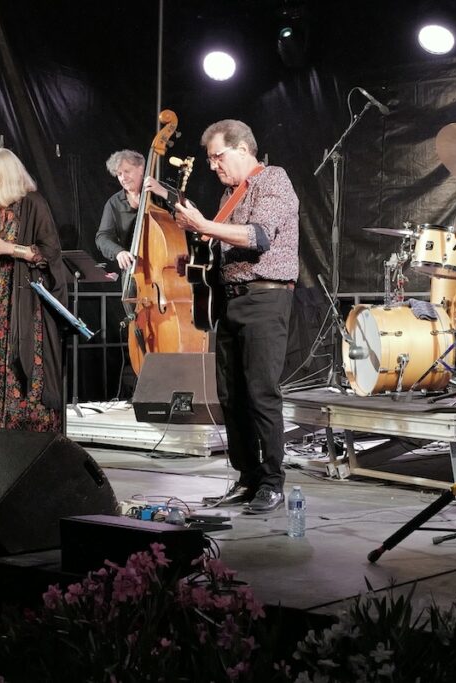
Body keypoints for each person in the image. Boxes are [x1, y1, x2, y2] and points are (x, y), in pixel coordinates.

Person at [173, 120, 299, 514]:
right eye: (210, 159)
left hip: (265, 297)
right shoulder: (230, 194)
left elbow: (258, 236)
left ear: (243, 149)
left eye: (218, 156)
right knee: (230, 395)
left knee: (261, 392)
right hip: (229, 300)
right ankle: (247, 477)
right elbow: (222, 246)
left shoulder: (273, 180)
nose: (213, 166)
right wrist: (197, 249)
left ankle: (272, 482)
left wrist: (204, 225)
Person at [0, 147, 67, 432]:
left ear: (6, 175)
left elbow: (49, 254)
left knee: (23, 358)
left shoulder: (32, 204)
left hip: (23, 300)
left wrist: (7, 248)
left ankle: (29, 430)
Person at [95, 149, 170, 271]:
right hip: (132, 269)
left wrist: (164, 192)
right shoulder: (114, 203)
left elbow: (189, 208)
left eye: (127, 171)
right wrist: (118, 252)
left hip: (164, 266)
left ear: (141, 169)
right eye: (119, 174)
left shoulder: (158, 190)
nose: (123, 178)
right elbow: (103, 236)